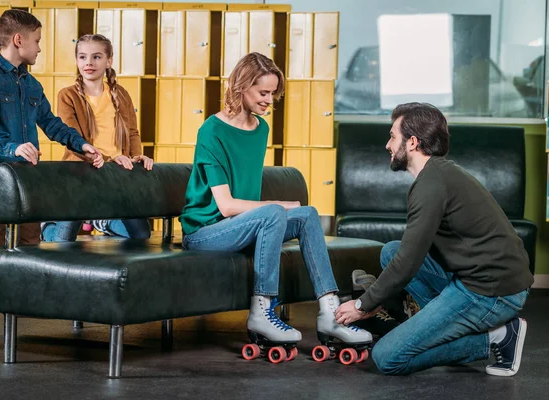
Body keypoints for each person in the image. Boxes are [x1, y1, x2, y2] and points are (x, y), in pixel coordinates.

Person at [179, 52, 372, 347]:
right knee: (273, 212)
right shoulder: (211, 131)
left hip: (242, 225)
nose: (270, 100)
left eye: (273, 93)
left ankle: (330, 313)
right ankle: (261, 312)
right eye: (263, 92)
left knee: (308, 214)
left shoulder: (261, 128)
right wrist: (279, 206)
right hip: (206, 232)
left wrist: (278, 210)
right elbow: (227, 205)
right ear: (242, 86)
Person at [334, 102, 534, 376]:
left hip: (492, 293)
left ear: (412, 142)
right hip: (479, 278)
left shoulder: (431, 185)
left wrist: (362, 305)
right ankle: (434, 327)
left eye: (393, 136)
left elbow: (408, 263)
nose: (387, 145)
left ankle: (497, 336)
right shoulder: (438, 174)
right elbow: (405, 255)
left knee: (387, 357)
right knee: (390, 252)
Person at [0, 9, 103, 249]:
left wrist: (81, 144)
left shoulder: (32, 84)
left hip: (28, 179)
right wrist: (14, 148)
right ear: (18, 40)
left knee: (30, 245)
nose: (40, 48)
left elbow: (51, 123)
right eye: (37, 41)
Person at [41, 34, 153, 242]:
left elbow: (132, 132)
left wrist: (137, 157)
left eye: (97, 57)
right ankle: (47, 226)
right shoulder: (67, 96)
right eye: (82, 57)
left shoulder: (121, 94)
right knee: (62, 241)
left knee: (141, 235)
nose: (89, 63)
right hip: (80, 175)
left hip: (117, 175)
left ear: (109, 61)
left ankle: (104, 222)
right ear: (76, 61)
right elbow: (71, 137)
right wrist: (108, 159)